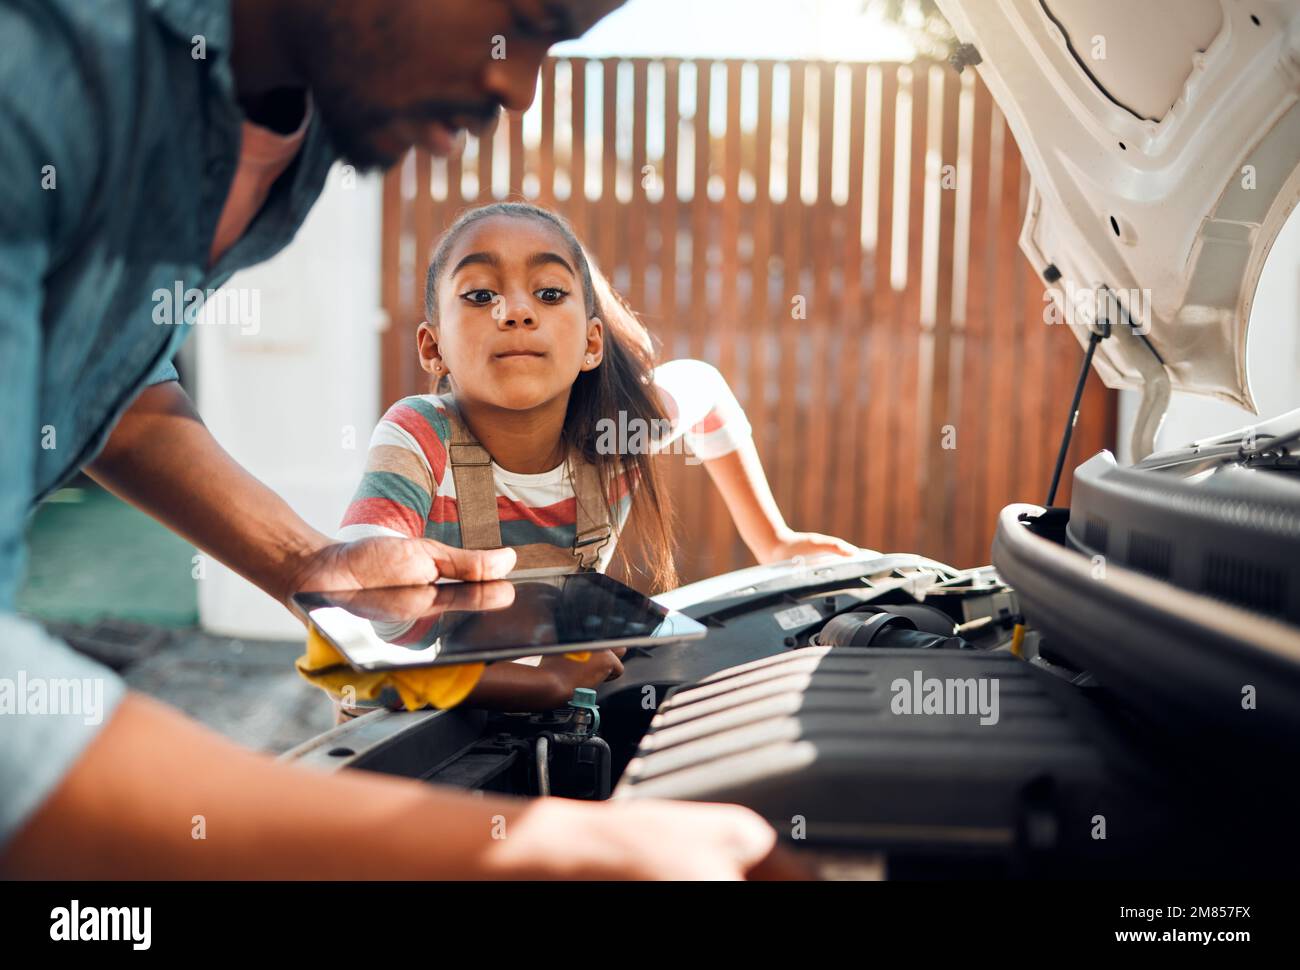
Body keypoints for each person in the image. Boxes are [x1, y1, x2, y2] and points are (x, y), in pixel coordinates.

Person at [0, 0, 791, 879]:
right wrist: (562, 853)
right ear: (433, 349)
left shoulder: (289, 133)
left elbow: (121, 391)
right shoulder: (35, 71)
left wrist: (308, 565)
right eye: (526, 17)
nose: (517, 86)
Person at [334, 201, 858, 712]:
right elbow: (361, 631)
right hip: (410, 725)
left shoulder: (619, 432)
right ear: (432, 348)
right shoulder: (419, 434)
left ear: (591, 343)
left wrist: (772, 539)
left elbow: (708, 390)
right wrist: (542, 684)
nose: (515, 311)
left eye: (548, 292)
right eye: (479, 295)